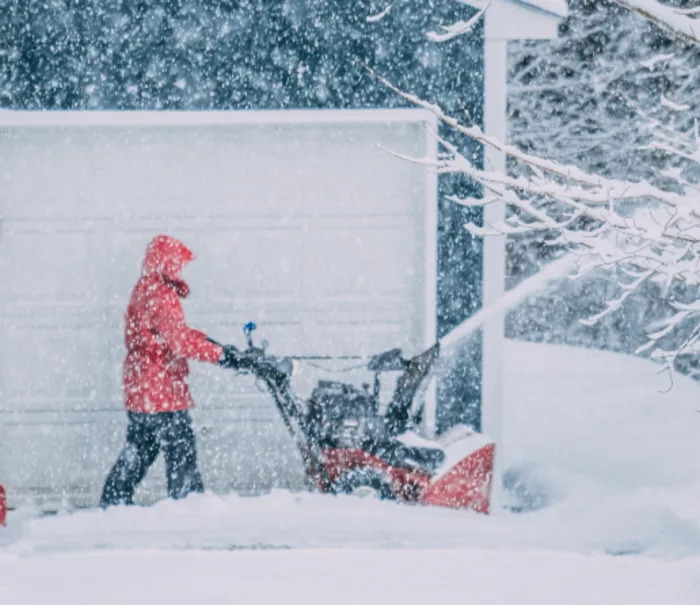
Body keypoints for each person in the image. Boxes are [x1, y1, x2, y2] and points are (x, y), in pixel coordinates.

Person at [100, 235, 239, 508]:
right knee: (181, 448)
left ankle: (113, 500)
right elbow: (178, 341)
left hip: (142, 386)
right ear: (167, 263)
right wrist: (220, 356)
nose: (180, 270)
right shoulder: (162, 295)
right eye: (177, 264)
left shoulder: (144, 289)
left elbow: (172, 334)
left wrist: (211, 343)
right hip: (160, 387)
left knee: (141, 446)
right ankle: (188, 504)